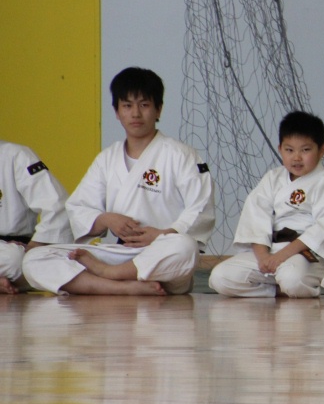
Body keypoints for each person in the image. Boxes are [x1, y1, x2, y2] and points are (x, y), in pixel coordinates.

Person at [22, 67, 215, 296]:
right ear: (116, 111)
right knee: (35, 258)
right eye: (127, 106)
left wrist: (163, 234)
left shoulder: (181, 155)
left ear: (158, 109)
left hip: (161, 255)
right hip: (120, 252)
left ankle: (110, 275)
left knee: (185, 246)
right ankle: (122, 287)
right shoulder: (107, 158)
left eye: (144, 105)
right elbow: (78, 207)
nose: (135, 114)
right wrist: (106, 219)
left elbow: (201, 207)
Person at [208, 111, 324, 298]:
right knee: (221, 277)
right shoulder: (272, 178)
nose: (296, 157)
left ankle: (293, 286)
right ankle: (275, 290)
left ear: (322, 150)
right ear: (280, 149)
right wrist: (264, 257)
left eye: (305, 150)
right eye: (289, 150)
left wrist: (282, 256)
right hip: (272, 250)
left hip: (307, 254)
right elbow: (255, 220)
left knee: (293, 279)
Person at [0, 140, 73, 293]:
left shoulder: (16, 155)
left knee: (15, 259)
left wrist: (34, 247)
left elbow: (57, 206)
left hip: (10, 253)